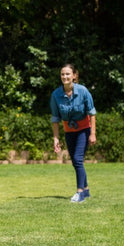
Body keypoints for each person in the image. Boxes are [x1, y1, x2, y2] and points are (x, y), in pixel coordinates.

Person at [50, 64, 96, 203]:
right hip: (69, 131)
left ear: (74, 75)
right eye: (62, 74)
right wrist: (56, 138)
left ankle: (80, 192)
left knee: (77, 159)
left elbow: (92, 113)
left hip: (83, 129)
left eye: (68, 74)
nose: (65, 77)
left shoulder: (83, 91)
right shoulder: (56, 95)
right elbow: (55, 118)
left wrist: (92, 133)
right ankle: (86, 189)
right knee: (77, 161)